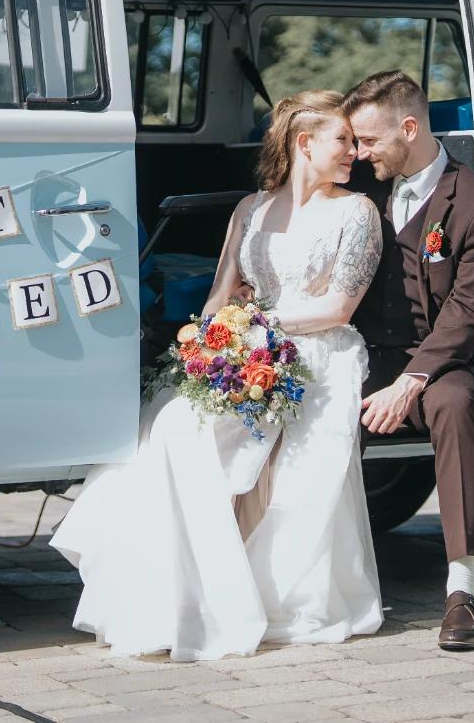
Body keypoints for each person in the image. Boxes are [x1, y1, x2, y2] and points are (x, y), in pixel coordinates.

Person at [51, 90, 384, 660]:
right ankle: (171, 593)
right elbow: (217, 297)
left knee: (198, 438)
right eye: (342, 140)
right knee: (165, 425)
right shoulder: (250, 209)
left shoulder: (357, 213)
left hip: (319, 354)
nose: (353, 151)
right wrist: (213, 346)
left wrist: (260, 323)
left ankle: (224, 590)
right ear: (305, 144)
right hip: (250, 350)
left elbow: (337, 309)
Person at [345, 70, 474, 651]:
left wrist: (412, 380)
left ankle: (462, 588)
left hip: (441, 358)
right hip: (363, 354)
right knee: (318, 403)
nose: (359, 152)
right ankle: (320, 573)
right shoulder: (359, 186)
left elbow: (469, 309)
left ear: (408, 128)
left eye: (368, 141)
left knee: (458, 403)